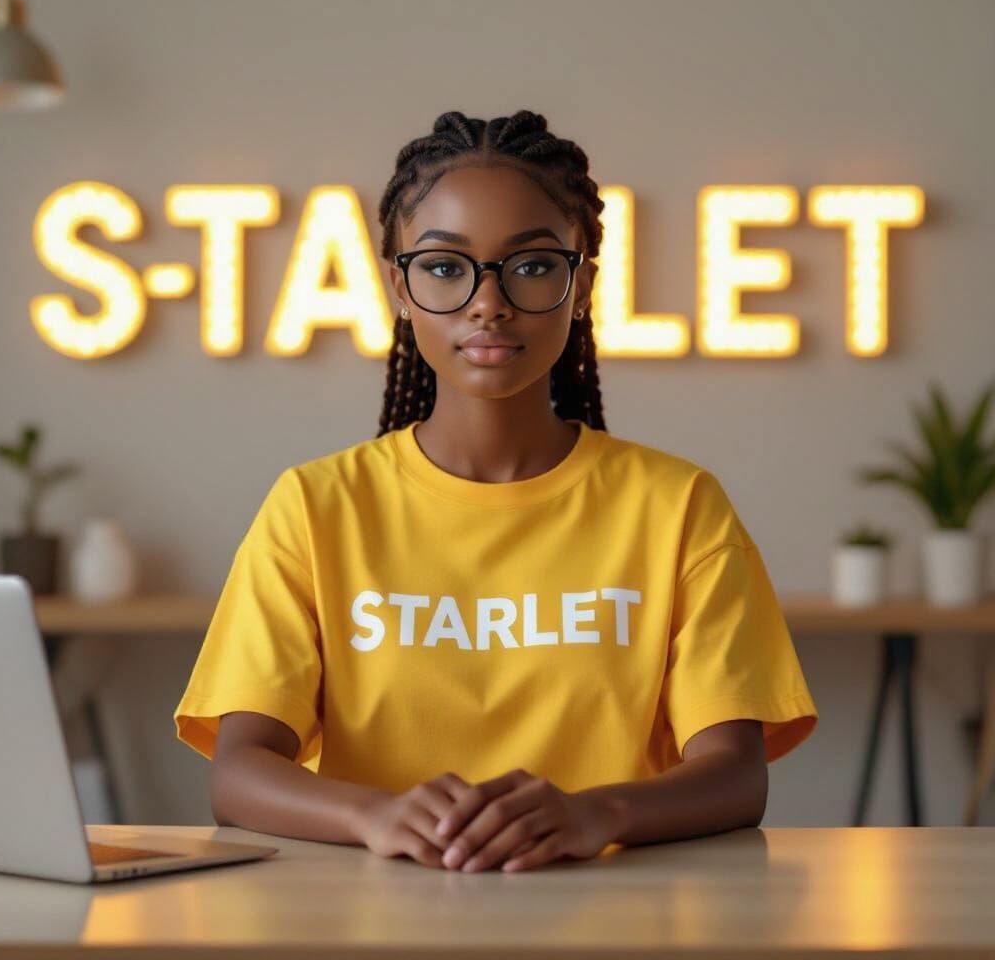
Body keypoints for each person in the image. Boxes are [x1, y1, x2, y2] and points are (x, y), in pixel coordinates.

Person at [173, 109, 818, 875]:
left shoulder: (678, 506)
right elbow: (240, 769)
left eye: (534, 265)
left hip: (616, 919)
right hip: (373, 923)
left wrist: (593, 814)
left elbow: (737, 774)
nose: (489, 302)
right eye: (445, 267)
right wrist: (377, 814)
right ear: (399, 290)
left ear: (582, 288)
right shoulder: (315, 506)